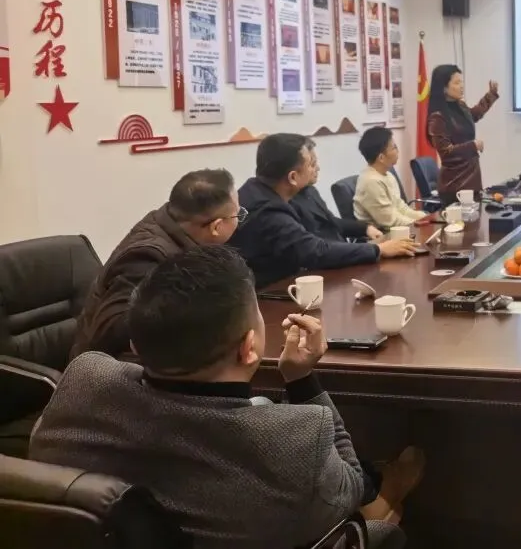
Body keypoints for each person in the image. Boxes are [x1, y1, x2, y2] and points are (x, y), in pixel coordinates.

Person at [32, 246, 420, 549]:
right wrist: (301, 379)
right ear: (249, 348)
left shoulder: (84, 380)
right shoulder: (295, 441)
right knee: (384, 514)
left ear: (136, 343)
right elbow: (353, 485)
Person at [72, 168, 243, 359]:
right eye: (237, 215)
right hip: (110, 368)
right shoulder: (147, 257)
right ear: (216, 227)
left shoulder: (174, 225)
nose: (239, 219)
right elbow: (110, 331)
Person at [230, 134, 418, 287]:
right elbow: (314, 251)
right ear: (293, 177)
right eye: (311, 164)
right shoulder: (269, 212)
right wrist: (378, 249)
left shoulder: (253, 190)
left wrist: (367, 233)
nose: (317, 168)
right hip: (269, 296)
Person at [425, 64, 498, 206]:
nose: (462, 86)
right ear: (444, 88)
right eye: (457, 83)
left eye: (462, 82)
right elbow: (446, 152)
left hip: (472, 178)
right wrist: (473, 145)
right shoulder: (437, 117)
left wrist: (491, 95)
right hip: (454, 184)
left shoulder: (461, 106)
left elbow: (474, 114)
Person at [289, 140, 384, 243]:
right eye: (312, 164)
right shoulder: (288, 205)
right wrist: (371, 249)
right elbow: (317, 246)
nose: (318, 168)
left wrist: (365, 228)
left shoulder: (310, 190)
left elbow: (332, 222)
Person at [354, 126, 430, 231]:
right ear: (381, 157)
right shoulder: (371, 182)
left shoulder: (387, 175)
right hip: (382, 235)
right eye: (394, 147)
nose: (397, 151)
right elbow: (390, 221)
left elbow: (401, 208)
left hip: (396, 229)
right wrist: (420, 224)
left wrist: (427, 217)